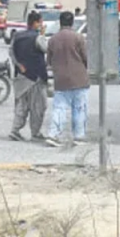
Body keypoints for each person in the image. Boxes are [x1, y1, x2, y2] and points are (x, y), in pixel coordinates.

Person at [45, 11, 89, 147]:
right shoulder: (78, 38)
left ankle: (53, 135)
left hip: (61, 80)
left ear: (60, 22)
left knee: (59, 108)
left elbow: (49, 61)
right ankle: (78, 136)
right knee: (79, 109)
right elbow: (85, 57)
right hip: (79, 79)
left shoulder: (52, 40)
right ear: (72, 22)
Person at [8, 11, 49, 142]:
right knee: (38, 106)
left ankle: (15, 130)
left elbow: (11, 52)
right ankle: (35, 133)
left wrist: (19, 65)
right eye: (41, 22)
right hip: (35, 77)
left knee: (21, 106)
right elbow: (46, 48)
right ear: (36, 23)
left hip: (21, 77)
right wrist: (42, 35)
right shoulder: (37, 37)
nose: (42, 25)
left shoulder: (17, 36)